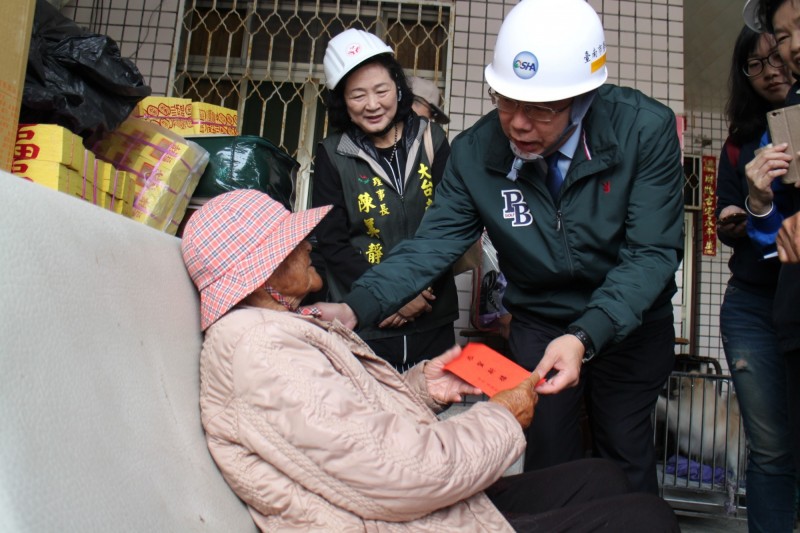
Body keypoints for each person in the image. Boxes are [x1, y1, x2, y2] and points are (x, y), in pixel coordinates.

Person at [320, 0, 685, 495]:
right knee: (548, 456)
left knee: (624, 447)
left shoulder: (644, 130)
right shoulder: (475, 153)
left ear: (583, 97)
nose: (517, 123)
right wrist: (353, 306)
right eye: (506, 101)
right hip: (540, 318)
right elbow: (432, 244)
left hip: (629, 325)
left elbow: (652, 255)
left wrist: (585, 336)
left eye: (541, 110)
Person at [179, 188, 681, 532]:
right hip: (391, 519)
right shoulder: (260, 349)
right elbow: (400, 471)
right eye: (290, 243)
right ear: (262, 273)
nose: (309, 244)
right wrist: (503, 417)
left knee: (602, 477)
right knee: (645, 521)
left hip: (402, 509)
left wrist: (424, 387)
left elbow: (350, 430)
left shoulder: (277, 328)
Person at [311, 29, 458, 371]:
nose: (373, 104)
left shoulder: (430, 139)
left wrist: (414, 294)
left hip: (432, 314)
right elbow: (332, 242)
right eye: (358, 95)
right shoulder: (333, 154)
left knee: (431, 413)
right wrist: (384, 299)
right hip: (366, 324)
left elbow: (451, 224)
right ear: (341, 100)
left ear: (398, 87)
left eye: (381, 90)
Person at [714, 24, 796, 533]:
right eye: (756, 63)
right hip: (753, 306)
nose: (772, 70)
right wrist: (746, 208)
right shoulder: (737, 145)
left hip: (797, 300)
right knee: (771, 451)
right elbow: (728, 226)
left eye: (779, 55)